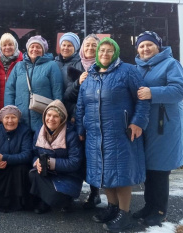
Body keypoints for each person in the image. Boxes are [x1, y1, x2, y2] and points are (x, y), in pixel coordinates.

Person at [76, 37, 150, 232]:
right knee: (105, 173)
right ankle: (112, 208)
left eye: (109, 51)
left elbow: (142, 99)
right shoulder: (90, 75)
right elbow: (81, 105)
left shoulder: (128, 71)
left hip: (121, 133)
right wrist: (80, 129)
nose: (104, 54)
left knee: (121, 174)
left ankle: (124, 215)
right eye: (102, 51)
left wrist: (137, 122)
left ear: (115, 52)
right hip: (95, 134)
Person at [133, 31, 183, 226]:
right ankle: (149, 206)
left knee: (160, 169)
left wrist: (151, 92)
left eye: (149, 45)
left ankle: (160, 210)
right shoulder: (138, 68)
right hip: (145, 126)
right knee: (149, 168)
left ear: (158, 46)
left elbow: (179, 90)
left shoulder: (171, 64)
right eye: (142, 45)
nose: (145, 49)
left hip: (164, 126)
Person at [29, 100, 83, 214]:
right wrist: (37, 162)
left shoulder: (71, 135)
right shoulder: (39, 131)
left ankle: (65, 199)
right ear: (44, 115)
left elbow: (75, 162)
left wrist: (50, 162)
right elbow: (34, 154)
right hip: (47, 175)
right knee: (32, 174)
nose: (51, 119)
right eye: (48, 115)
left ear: (62, 119)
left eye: (56, 116)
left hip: (69, 176)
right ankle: (45, 201)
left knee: (57, 197)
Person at [68, 34, 101, 209]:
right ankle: (71, 193)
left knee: (94, 158)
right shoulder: (74, 67)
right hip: (76, 119)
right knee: (76, 157)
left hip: (97, 121)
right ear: (82, 48)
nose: (90, 48)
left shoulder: (105, 66)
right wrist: (77, 84)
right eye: (87, 45)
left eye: (94, 45)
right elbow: (67, 95)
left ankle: (95, 194)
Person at [4, 35, 63, 133]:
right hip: (20, 119)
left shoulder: (52, 65)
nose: (35, 49)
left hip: (44, 119)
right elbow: (10, 90)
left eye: (38, 47)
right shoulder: (19, 66)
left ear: (43, 50)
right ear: (28, 49)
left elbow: (57, 91)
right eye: (32, 46)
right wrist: (10, 113)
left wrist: (56, 115)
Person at [0, 105, 33, 212]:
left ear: (18, 119)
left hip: (17, 166)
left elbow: (27, 155)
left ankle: (20, 203)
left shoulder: (25, 131)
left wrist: (5, 158)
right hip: (0, 168)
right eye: (7, 118)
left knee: (22, 169)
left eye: (13, 117)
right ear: (2, 119)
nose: (10, 121)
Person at [0, 33, 23, 126]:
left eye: (10, 44)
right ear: (0, 47)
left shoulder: (22, 62)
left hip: (16, 111)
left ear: (15, 46)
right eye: (4, 45)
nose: (7, 47)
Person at [54, 32, 83, 118]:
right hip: (55, 112)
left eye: (69, 45)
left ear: (76, 48)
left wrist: (75, 114)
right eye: (64, 45)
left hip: (71, 113)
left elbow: (80, 93)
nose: (66, 48)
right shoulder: (54, 63)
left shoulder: (80, 64)